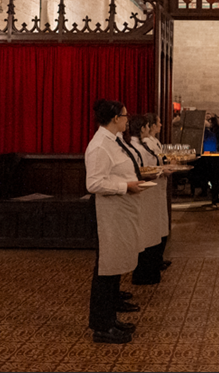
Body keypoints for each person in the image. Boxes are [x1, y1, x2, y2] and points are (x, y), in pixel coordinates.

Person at [85, 99, 144, 344]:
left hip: (120, 210)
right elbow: (94, 183)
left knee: (115, 265)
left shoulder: (114, 141)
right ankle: (101, 326)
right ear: (114, 119)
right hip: (108, 212)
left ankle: (111, 318)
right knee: (106, 268)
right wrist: (125, 186)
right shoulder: (99, 146)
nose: (127, 119)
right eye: (124, 115)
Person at [129, 115, 171, 285]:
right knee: (147, 232)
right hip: (144, 192)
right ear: (144, 128)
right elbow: (141, 170)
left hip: (152, 190)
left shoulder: (144, 144)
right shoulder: (135, 146)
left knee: (154, 230)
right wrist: (160, 171)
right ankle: (144, 272)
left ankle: (151, 267)